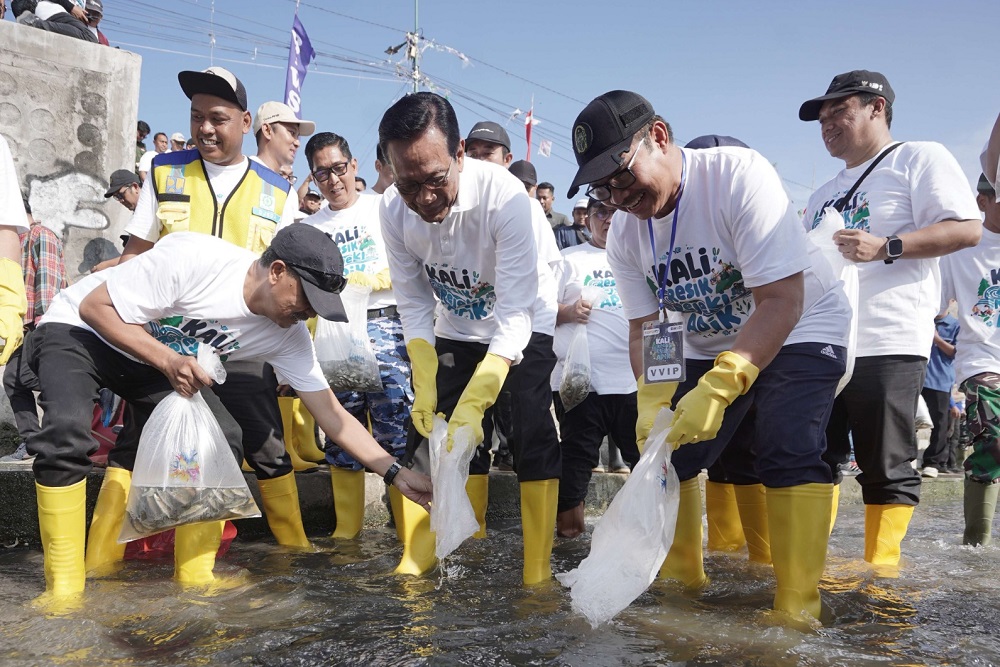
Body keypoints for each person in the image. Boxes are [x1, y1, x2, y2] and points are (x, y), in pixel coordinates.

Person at [23, 225, 432, 598]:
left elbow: (332, 416)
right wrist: (168, 361)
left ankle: (195, 577)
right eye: (308, 299)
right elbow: (94, 307)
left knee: (223, 437)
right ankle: (64, 589)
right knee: (66, 434)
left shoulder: (288, 336)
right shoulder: (196, 260)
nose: (309, 314)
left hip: (151, 358)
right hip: (80, 331)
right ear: (277, 271)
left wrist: (397, 474)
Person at [572, 89, 850, 622]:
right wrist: (652, 400)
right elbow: (647, 327)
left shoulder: (736, 177)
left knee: (786, 444)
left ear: (658, 137)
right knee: (670, 452)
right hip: (708, 337)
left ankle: (796, 604)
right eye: (602, 188)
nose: (619, 197)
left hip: (800, 320)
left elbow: (781, 300)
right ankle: (683, 581)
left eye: (622, 176)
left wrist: (723, 386)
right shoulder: (626, 233)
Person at [94, 67, 311, 567]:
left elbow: (290, 281)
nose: (206, 128)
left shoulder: (276, 191)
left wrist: (289, 359)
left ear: (245, 122)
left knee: (264, 444)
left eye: (218, 118)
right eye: (196, 117)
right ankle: (99, 563)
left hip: (241, 343)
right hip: (165, 343)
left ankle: (294, 557)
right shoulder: (163, 171)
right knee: (134, 444)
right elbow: (136, 254)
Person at [799, 70, 981, 571]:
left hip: (888, 336)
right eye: (821, 117)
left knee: (885, 460)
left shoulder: (917, 158)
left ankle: (881, 572)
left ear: (877, 108)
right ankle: (811, 566)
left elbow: (967, 228)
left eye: (839, 111)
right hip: (824, 341)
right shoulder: (821, 194)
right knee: (815, 455)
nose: (827, 124)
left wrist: (887, 246)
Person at [379, 92, 560, 585]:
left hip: (523, 323)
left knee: (530, 431)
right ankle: (429, 550)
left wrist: (480, 397)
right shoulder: (393, 209)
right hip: (455, 326)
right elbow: (414, 301)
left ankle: (537, 568)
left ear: (459, 153)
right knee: (430, 434)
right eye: (408, 184)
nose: (424, 198)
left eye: (435, 179)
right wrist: (424, 370)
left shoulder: (506, 199)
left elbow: (516, 313)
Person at [296, 130, 412, 539]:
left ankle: (410, 535)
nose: (333, 180)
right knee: (341, 433)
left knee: (397, 428)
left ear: (354, 165)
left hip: (385, 325)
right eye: (321, 173)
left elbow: (413, 260)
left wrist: (378, 279)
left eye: (339, 168)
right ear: (313, 178)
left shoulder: (386, 207)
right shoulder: (309, 228)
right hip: (336, 332)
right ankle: (346, 534)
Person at [464, 120, 562, 478]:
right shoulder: (459, 205)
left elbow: (551, 268)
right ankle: (471, 513)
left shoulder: (525, 205)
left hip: (530, 325)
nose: (479, 161)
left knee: (530, 417)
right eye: (472, 153)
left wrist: (541, 325)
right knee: (472, 425)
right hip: (480, 327)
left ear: (507, 160)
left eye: (487, 153)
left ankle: (540, 513)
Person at [551, 198, 638, 538]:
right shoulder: (567, 259)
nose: (609, 219)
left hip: (634, 381)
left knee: (645, 457)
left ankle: (651, 536)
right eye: (601, 212)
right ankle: (569, 537)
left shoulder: (642, 256)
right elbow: (536, 309)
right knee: (576, 459)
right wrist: (568, 311)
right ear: (587, 220)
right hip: (578, 382)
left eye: (617, 211)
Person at [939, 175, 1000, 546]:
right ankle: (976, 543)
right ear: (982, 201)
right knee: (995, 438)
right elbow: (933, 304)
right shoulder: (962, 248)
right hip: (982, 360)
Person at [1, 195, 60, 465]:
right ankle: (32, 440)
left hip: (40, 323)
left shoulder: (40, 235)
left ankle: (56, 437)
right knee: (13, 380)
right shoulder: (15, 242)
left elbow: (48, 280)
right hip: (22, 325)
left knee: (43, 378)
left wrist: (44, 323)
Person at [919, 309, 959, 478]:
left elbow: (956, 352)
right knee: (906, 419)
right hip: (917, 378)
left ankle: (933, 462)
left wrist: (936, 338)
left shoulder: (955, 325)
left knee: (940, 424)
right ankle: (904, 459)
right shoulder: (923, 317)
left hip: (940, 380)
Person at [15, 0, 97, 42]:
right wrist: (72, 8)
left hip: (55, 13)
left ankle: (36, 23)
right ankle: (36, 23)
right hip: (52, 10)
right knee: (90, 37)